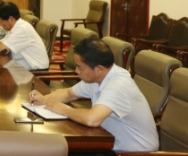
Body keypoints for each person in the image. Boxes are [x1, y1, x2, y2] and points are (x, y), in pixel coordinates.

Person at [30, 36, 159, 152]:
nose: (76, 71)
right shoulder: (97, 77)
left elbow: (92, 119)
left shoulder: (118, 85)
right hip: (108, 143)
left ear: (98, 69)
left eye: (80, 67)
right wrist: (44, 99)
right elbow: (69, 93)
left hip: (134, 152)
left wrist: (64, 110)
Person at [0, 2, 48, 71]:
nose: (0, 24)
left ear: (11, 19)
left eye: (0, 21)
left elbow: (1, 49)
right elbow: (1, 42)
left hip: (35, 71)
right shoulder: (16, 26)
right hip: (23, 66)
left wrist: (2, 46)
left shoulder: (22, 29)